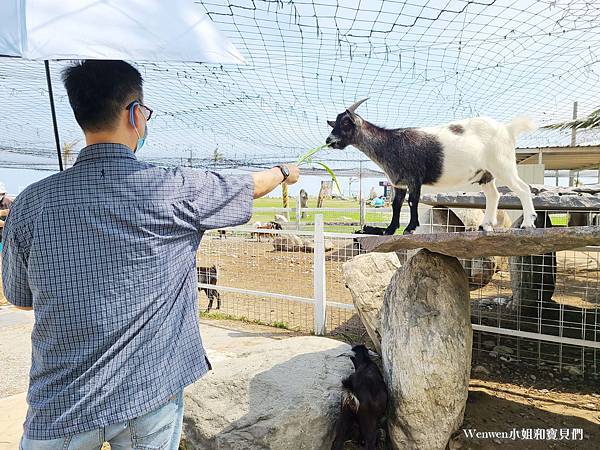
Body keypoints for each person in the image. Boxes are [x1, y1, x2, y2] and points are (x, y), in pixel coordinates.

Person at [2, 60, 300, 449]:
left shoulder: (30, 203)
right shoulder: (173, 188)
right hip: (149, 394)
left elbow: (20, 300)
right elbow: (249, 186)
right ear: (135, 115)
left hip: (59, 410)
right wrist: (284, 171)